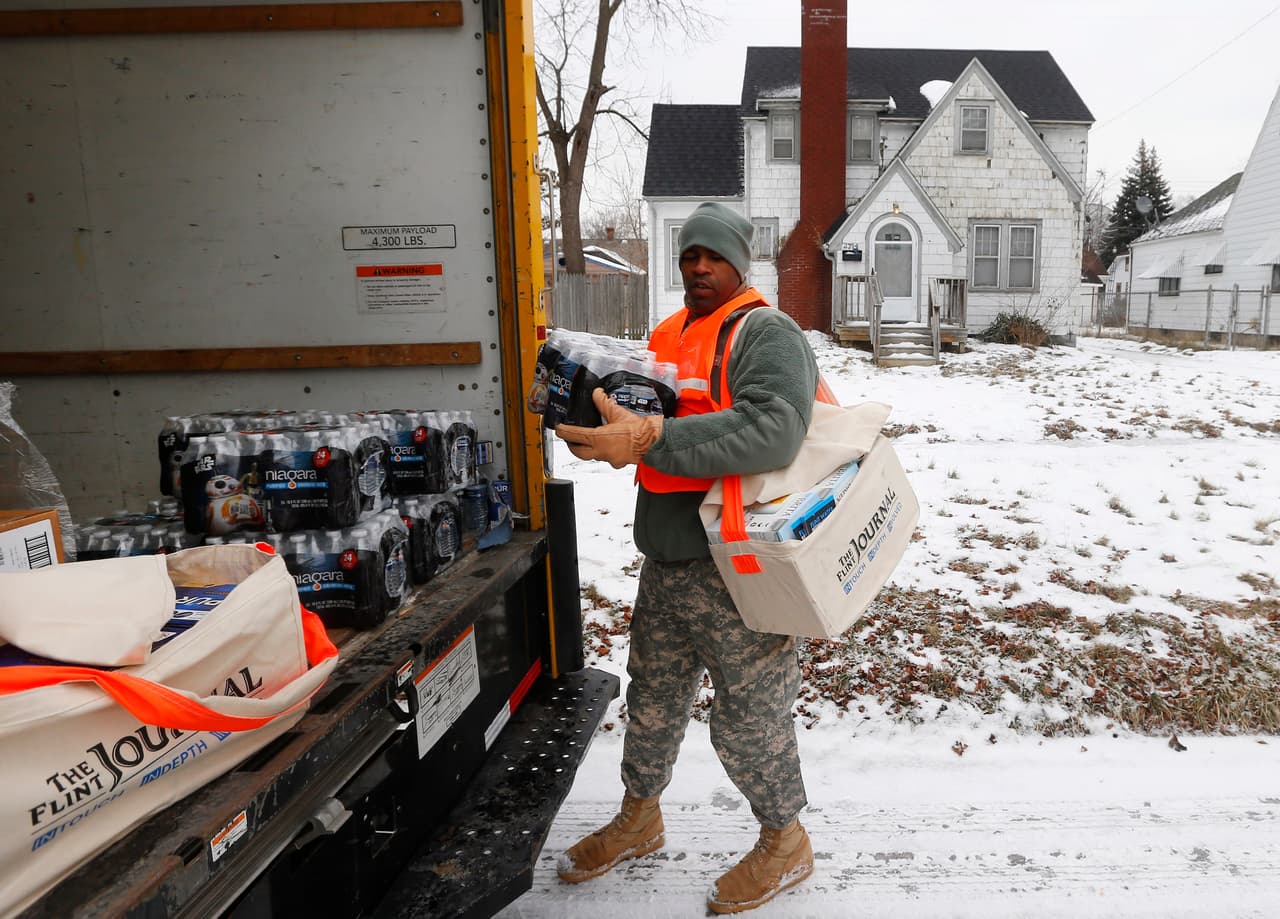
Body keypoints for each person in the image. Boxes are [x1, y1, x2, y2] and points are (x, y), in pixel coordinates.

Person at [553, 201, 819, 914]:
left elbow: (775, 430)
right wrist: (607, 434)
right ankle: (641, 817)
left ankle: (785, 839)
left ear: (742, 260)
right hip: (667, 558)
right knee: (654, 699)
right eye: (689, 254)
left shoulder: (768, 332)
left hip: (738, 565)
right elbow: (659, 423)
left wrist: (648, 439)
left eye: (714, 255)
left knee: (750, 717)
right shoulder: (669, 333)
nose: (698, 266)